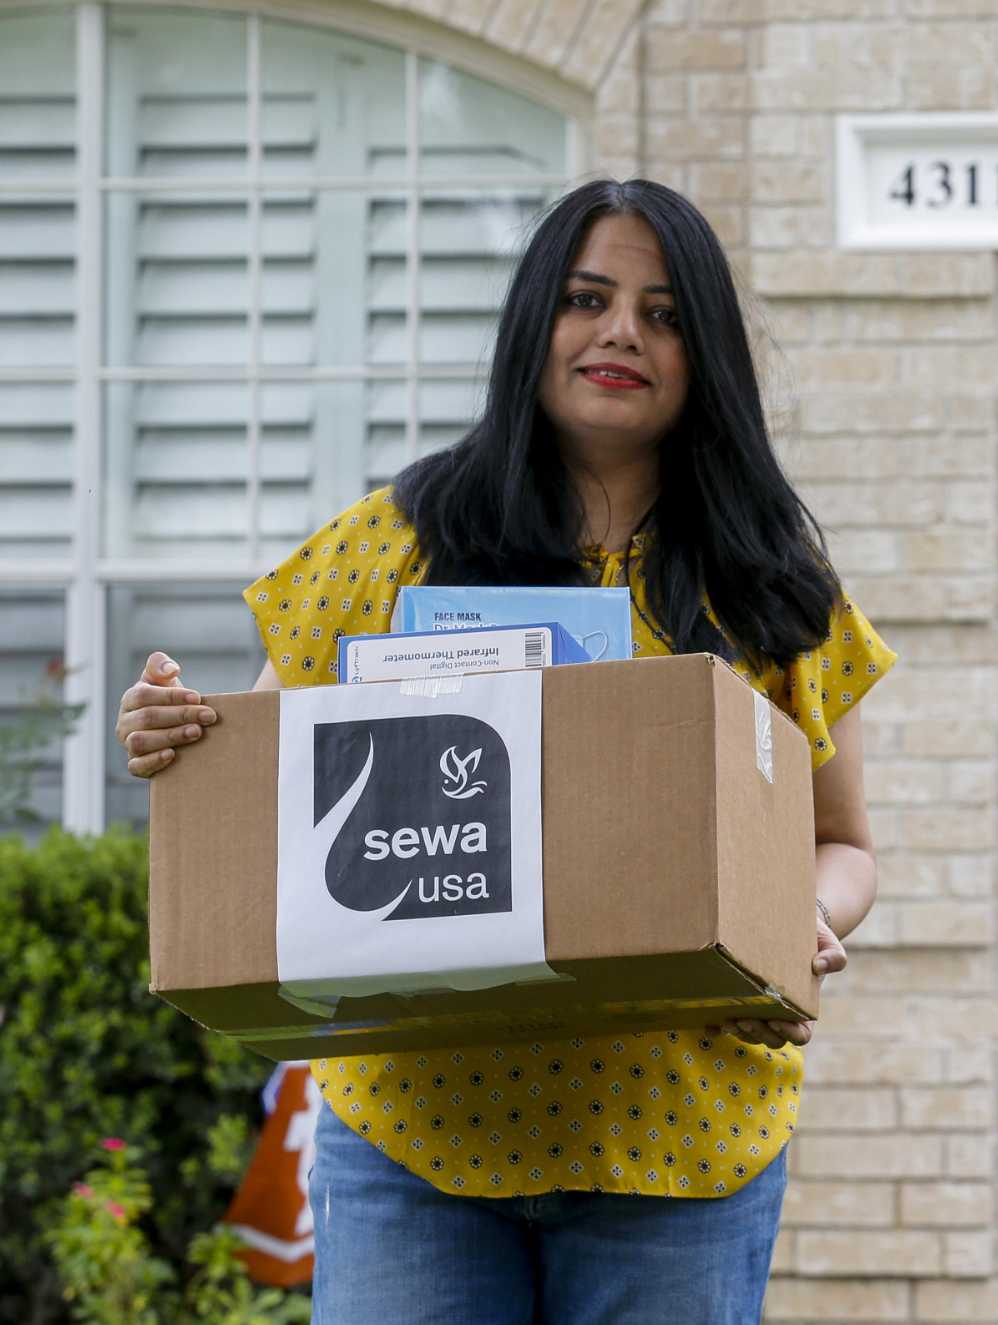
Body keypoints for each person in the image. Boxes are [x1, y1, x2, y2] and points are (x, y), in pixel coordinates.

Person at [112, 178, 896, 1325]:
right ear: (534, 323)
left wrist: (798, 923)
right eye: (588, 298)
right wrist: (175, 736)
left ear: (706, 353)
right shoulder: (393, 540)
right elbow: (268, 778)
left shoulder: (772, 580)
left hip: (679, 1147)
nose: (622, 330)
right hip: (417, 1142)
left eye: (664, 312)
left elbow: (843, 846)